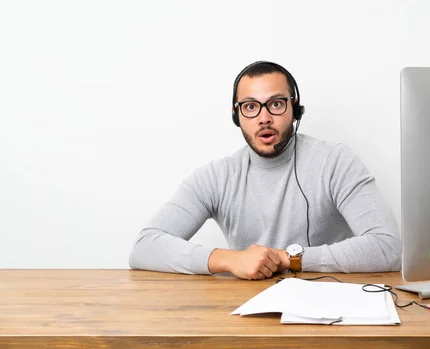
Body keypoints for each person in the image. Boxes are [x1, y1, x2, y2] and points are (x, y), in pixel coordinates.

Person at [129, 61, 401, 280]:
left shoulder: (336, 161)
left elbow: (388, 247)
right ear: (237, 117)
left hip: (330, 308)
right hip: (246, 314)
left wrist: (286, 258)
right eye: (250, 107)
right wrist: (229, 259)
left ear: (295, 109)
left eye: (276, 103)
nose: (264, 117)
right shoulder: (216, 176)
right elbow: (145, 246)